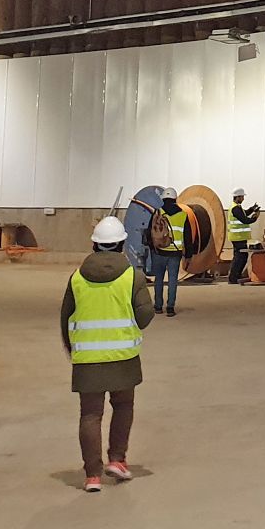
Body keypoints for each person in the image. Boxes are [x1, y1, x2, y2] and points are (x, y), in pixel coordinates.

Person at [61, 216, 155, 494]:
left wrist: (73, 349)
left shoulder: (76, 278)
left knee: (90, 414)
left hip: (87, 360)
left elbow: (65, 317)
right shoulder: (132, 276)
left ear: (94, 245)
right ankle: (117, 459)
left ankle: (92, 475)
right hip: (123, 356)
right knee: (123, 406)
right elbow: (146, 314)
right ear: (123, 244)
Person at [149, 188, 187, 317]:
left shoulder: (158, 212)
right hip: (175, 253)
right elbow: (187, 236)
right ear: (175, 199)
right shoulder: (183, 215)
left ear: (163, 199)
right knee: (172, 281)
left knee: (158, 279)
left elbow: (150, 232)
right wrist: (189, 255)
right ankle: (170, 307)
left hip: (159, 252)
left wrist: (152, 248)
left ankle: (158, 306)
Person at [225, 188, 262, 285]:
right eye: (242, 197)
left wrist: (252, 209)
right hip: (238, 237)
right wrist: (255, 218)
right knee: (240, 257)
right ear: (237, 197)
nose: (243, 199)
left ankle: (235, 276)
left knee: (240, 256)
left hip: (238, 237)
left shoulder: (236, 207)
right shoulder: (235, 208)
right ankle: (233, 277)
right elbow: (245, 219)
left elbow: (244, 213)